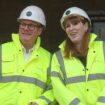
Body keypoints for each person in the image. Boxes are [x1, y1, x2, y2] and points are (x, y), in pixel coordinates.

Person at [1, 5, 55, 105]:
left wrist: (40, 102)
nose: (25, 28)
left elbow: (54, 88)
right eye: (23, 24)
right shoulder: (2, 50)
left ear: (39, 30)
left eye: (31, 25)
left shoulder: (49, 58)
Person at [51, 6, 105, 105]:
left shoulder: (103, 48)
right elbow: (58, 89)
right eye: (67, 26)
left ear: (86, 26)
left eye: (75, 23)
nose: (71, 28)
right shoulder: (58, 57)